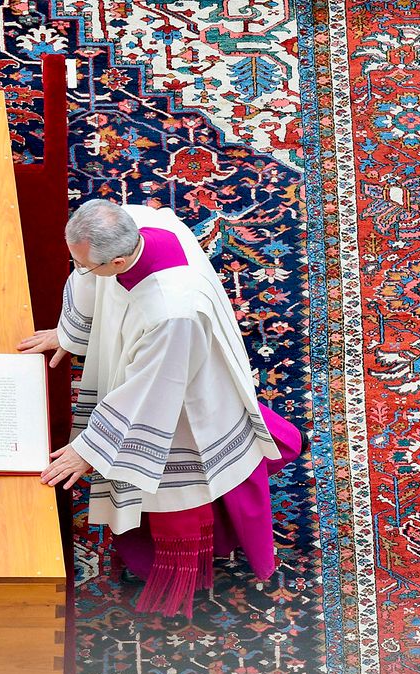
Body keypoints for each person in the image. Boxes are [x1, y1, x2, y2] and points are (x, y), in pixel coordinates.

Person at [18, 199, 305, 617]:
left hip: (182, 394)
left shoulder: (174, 313)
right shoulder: (135, 222)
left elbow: (152, 391)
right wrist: (70, 333)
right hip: (152, 361)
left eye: (86, 266)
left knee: (179, 481)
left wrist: (89, 447)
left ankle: (179, 570)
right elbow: (86, 276)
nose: (80, 271)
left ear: (118, 260)